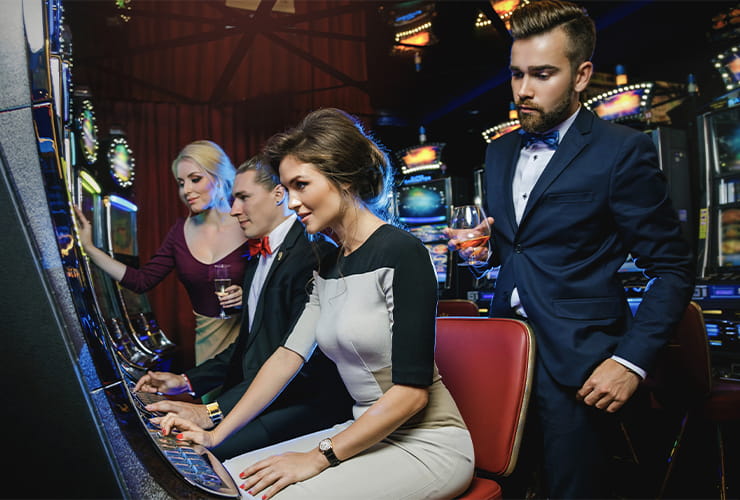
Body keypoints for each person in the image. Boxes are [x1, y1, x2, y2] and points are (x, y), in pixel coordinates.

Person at [154, 108, 475, 500]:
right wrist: (215, 433)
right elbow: (287, 356)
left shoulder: (402, 251)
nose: (291, 202)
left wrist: (318, 457)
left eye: (301, 185)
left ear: (342, 178)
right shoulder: (328, 262)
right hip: (361, 433)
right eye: (287, 189)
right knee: (226, 481)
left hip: (427, 444)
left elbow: (412, 393)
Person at [449, 1, 696, 498]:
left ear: (582, 75)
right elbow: (518, 249)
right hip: (505, 352)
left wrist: (629, 361)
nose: (523, 90)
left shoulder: (620, 151)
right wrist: (483, 252)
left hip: (580, 364)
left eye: (542, 74)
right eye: (516, 74)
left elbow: (671, 267)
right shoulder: (499, 151)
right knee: (505, 487)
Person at [133, 155, 353, 460]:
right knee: (171, 443)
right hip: (258, 399)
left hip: (302, 405)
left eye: (243, 198)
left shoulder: (314, 256)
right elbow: (249, 347)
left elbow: (300, 366)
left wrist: (211, 411)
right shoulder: (256, 261)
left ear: (278, 194)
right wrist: (186, 381)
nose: (234, 209)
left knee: (196, 455)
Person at [74, 140, 248, 366]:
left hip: (252, 340)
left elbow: (280, 280)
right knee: (213, 400)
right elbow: (141, 281)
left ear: (219, 177)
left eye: (195, 179)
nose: (186, 190)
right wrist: (90, 249)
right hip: (209, 349)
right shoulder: (179, 232)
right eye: (181, 183)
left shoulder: (249, 222)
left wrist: (249, 295)